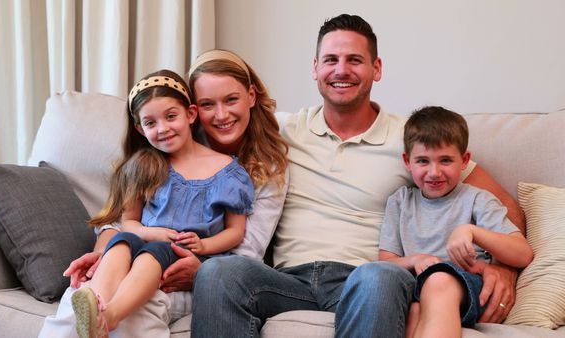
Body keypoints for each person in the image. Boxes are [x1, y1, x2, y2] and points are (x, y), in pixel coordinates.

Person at [191, 14, 525, 338]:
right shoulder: (281, 130)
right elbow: (210, 125)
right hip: (287, 281)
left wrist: (503, 269)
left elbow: (505, 204)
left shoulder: (411, 142)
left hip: (365, 280)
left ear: (376, 69)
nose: (341, 70)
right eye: (331, 59)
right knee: (219, 272)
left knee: (380, 275)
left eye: (354, 60)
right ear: (315, 68)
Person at [39, 50, 289, 337]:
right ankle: (98, 309)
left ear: (251, 97)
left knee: (142, 298)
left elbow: (245, 250)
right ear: (195, 109)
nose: (221, 115)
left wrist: (201, 262)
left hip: (198, 270)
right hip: (138, 251)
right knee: (82, 295)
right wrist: (103, 254)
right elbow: (122, 221)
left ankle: (108, 317)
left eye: (231, 99)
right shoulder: (157, 155)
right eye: (208, 104)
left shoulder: (257, 169)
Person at [378, 106, 533, 338]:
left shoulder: (477, 199)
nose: (434, 172)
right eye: (423, 161)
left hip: (466, 289)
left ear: (464, 161)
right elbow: (386, 263)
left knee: (438, 281)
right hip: (417, 290)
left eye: (445, 160)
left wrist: (472, 231)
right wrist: (415, 259)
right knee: (413, 311)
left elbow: (523, 254)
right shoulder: (400, 202)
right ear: (407, 162)